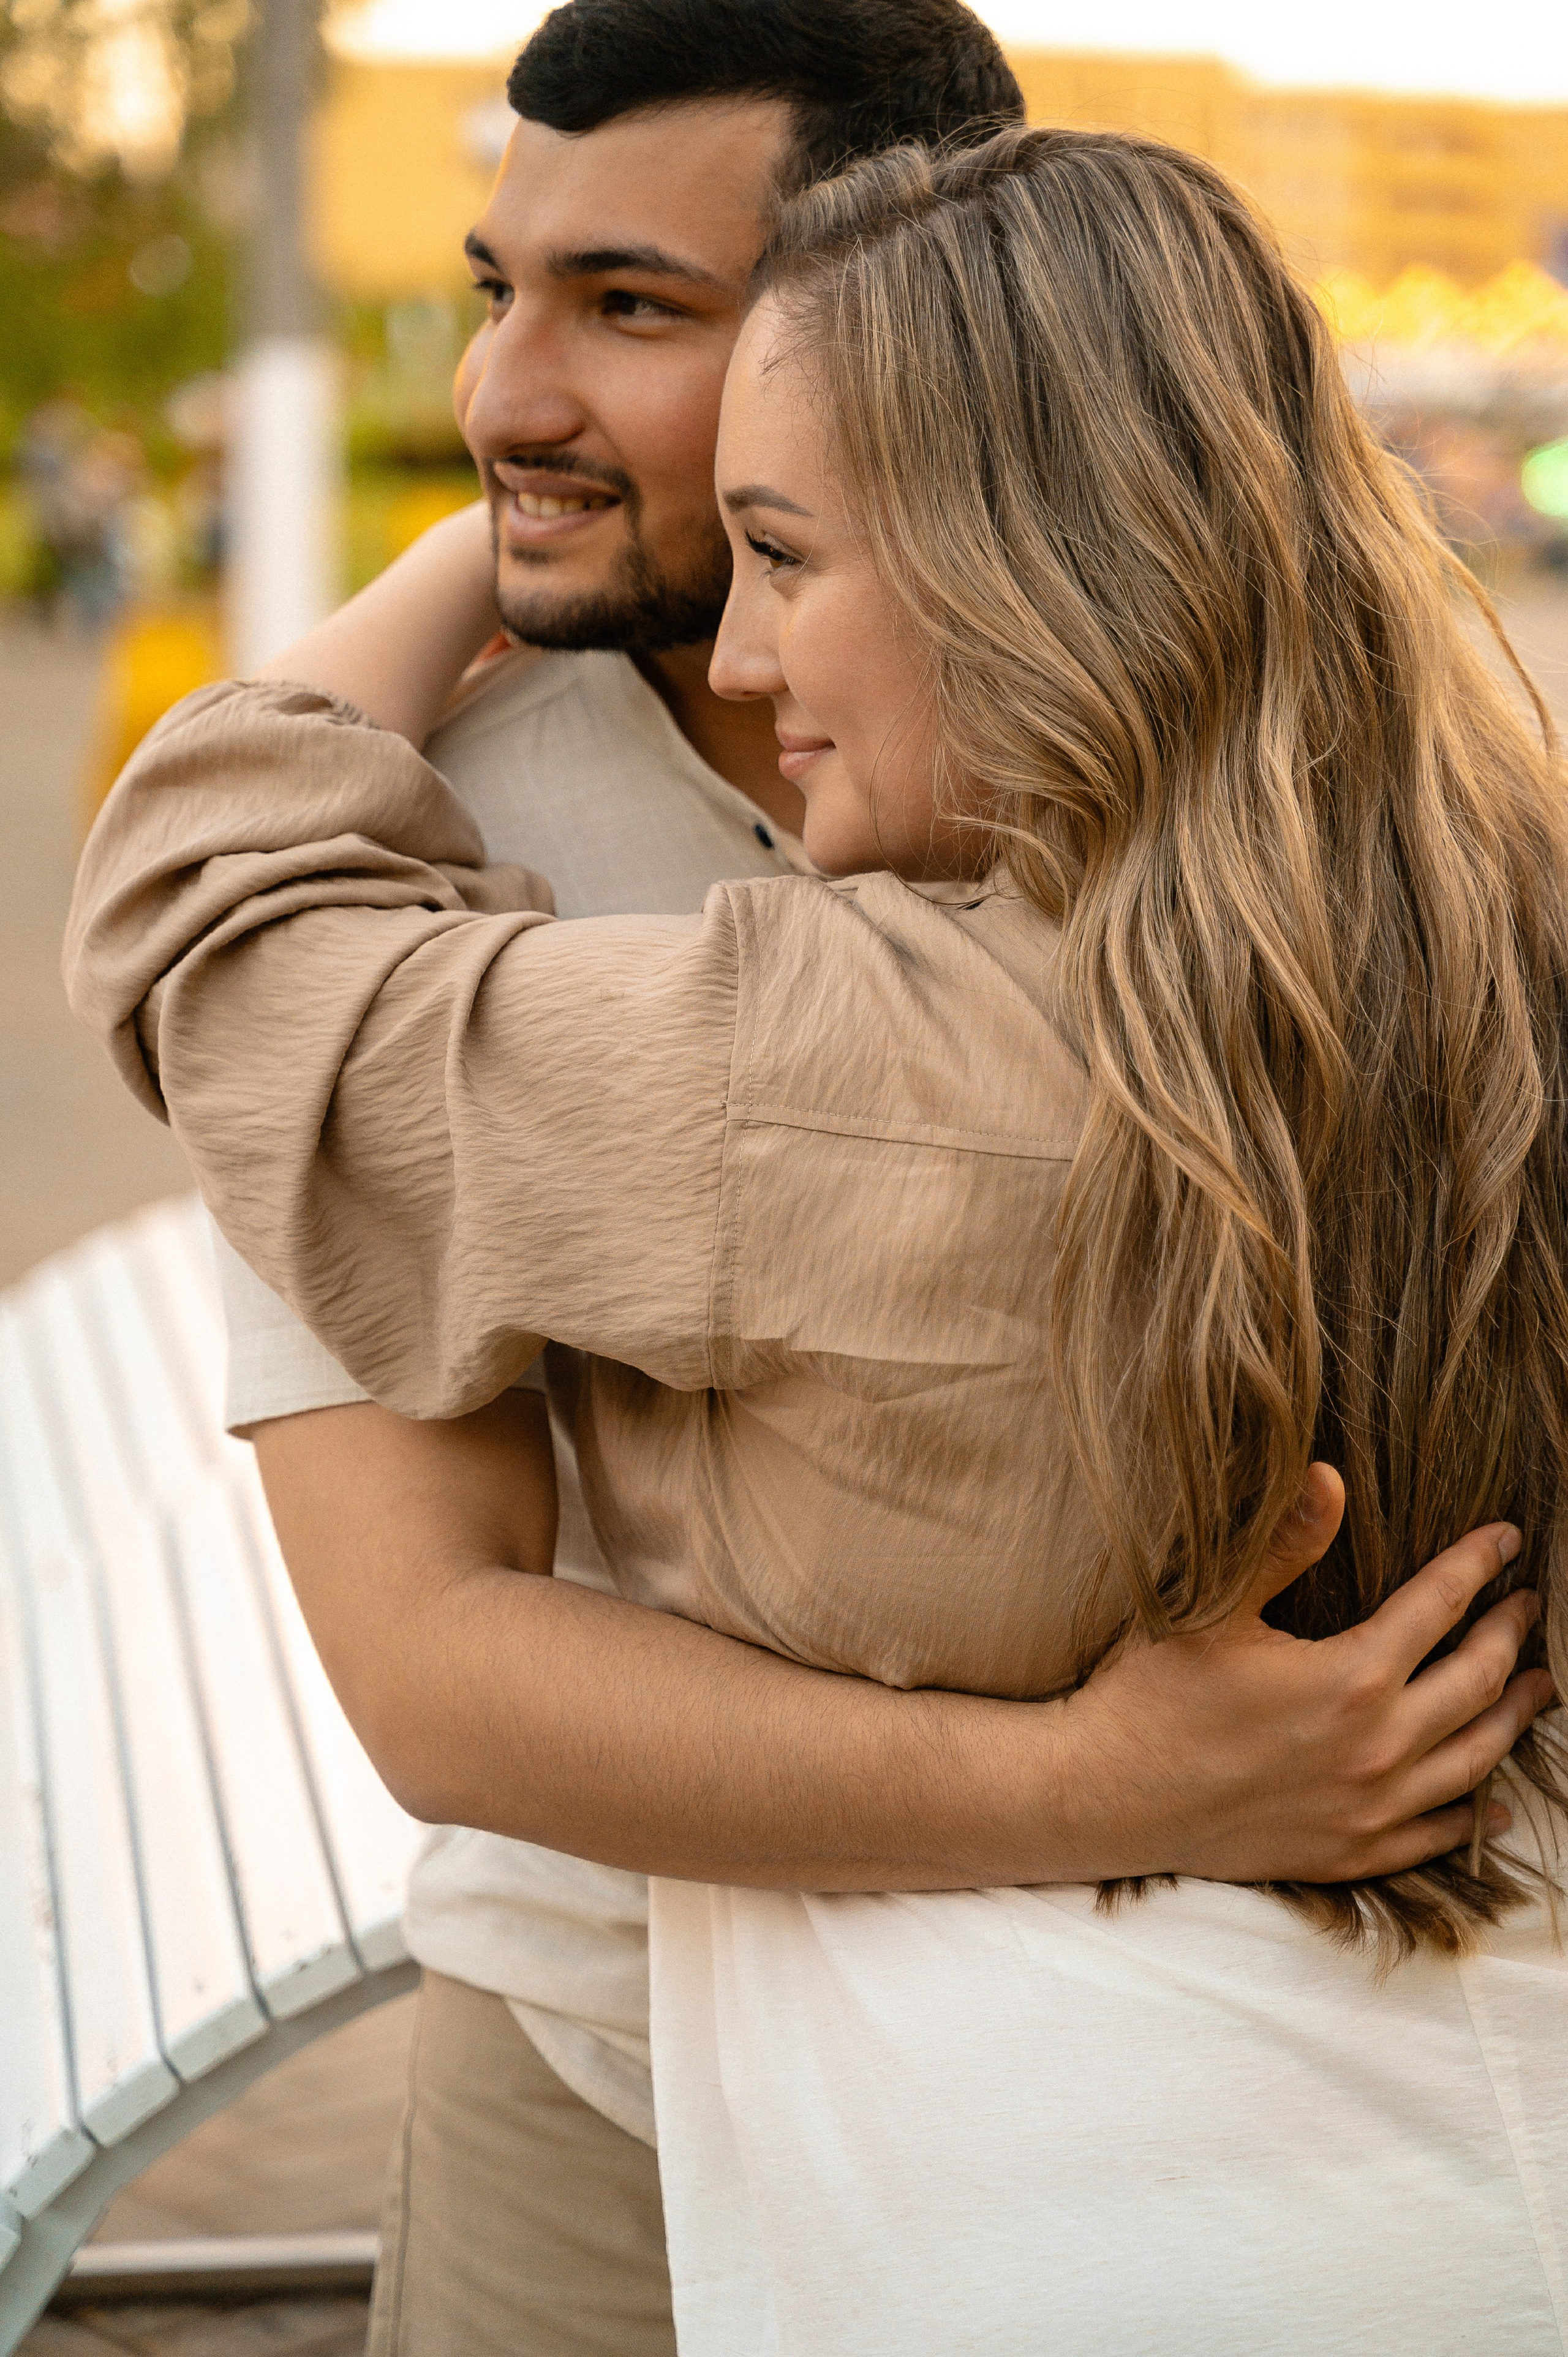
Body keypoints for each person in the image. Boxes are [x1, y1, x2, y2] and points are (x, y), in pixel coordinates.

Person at [67, 123, 1566, 2350]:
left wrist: (498, 554)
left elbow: (196, 907)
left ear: (1025, 556)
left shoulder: (843, 1055)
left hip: (1037, 2238)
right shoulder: (1485, 919)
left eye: (786, 550)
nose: (754, 655)